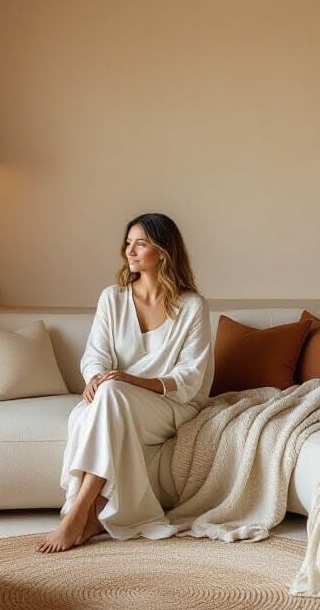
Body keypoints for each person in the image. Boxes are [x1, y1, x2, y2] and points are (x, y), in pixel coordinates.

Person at [37, 213, 213, 553]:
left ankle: (78, 511)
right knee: (104, 400)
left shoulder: (192, 306)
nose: (129, 251)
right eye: (128, 243)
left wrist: (130, 381)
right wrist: (93, 379)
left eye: (140, 244)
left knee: (112, 394)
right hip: (114, 401)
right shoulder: (112, 298)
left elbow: (191, 377)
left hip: (171, 406)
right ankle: (91, 513)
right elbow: (94, 356)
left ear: (162, 252)